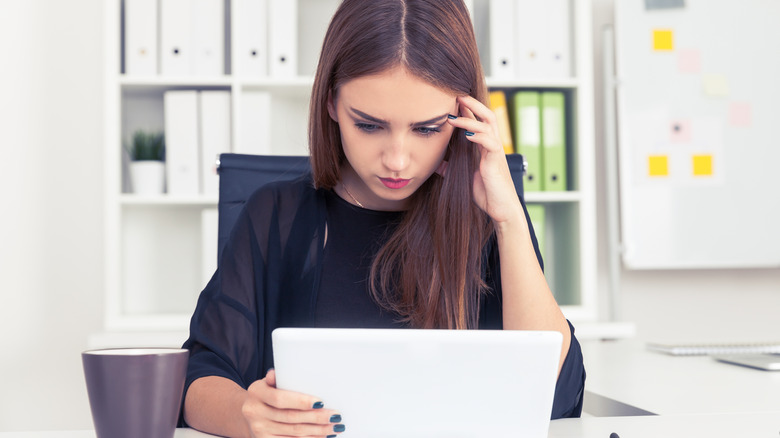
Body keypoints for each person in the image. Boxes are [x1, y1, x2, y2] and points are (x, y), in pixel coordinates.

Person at [181, 0, 585, 436]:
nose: (397, 160)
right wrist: (248, 416)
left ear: (464, 117)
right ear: (331, 102)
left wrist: (508, 220)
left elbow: (557, 395)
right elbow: (197, 380)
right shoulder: (274, 215)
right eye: (369, 125)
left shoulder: (490, 218)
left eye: (427, 129)